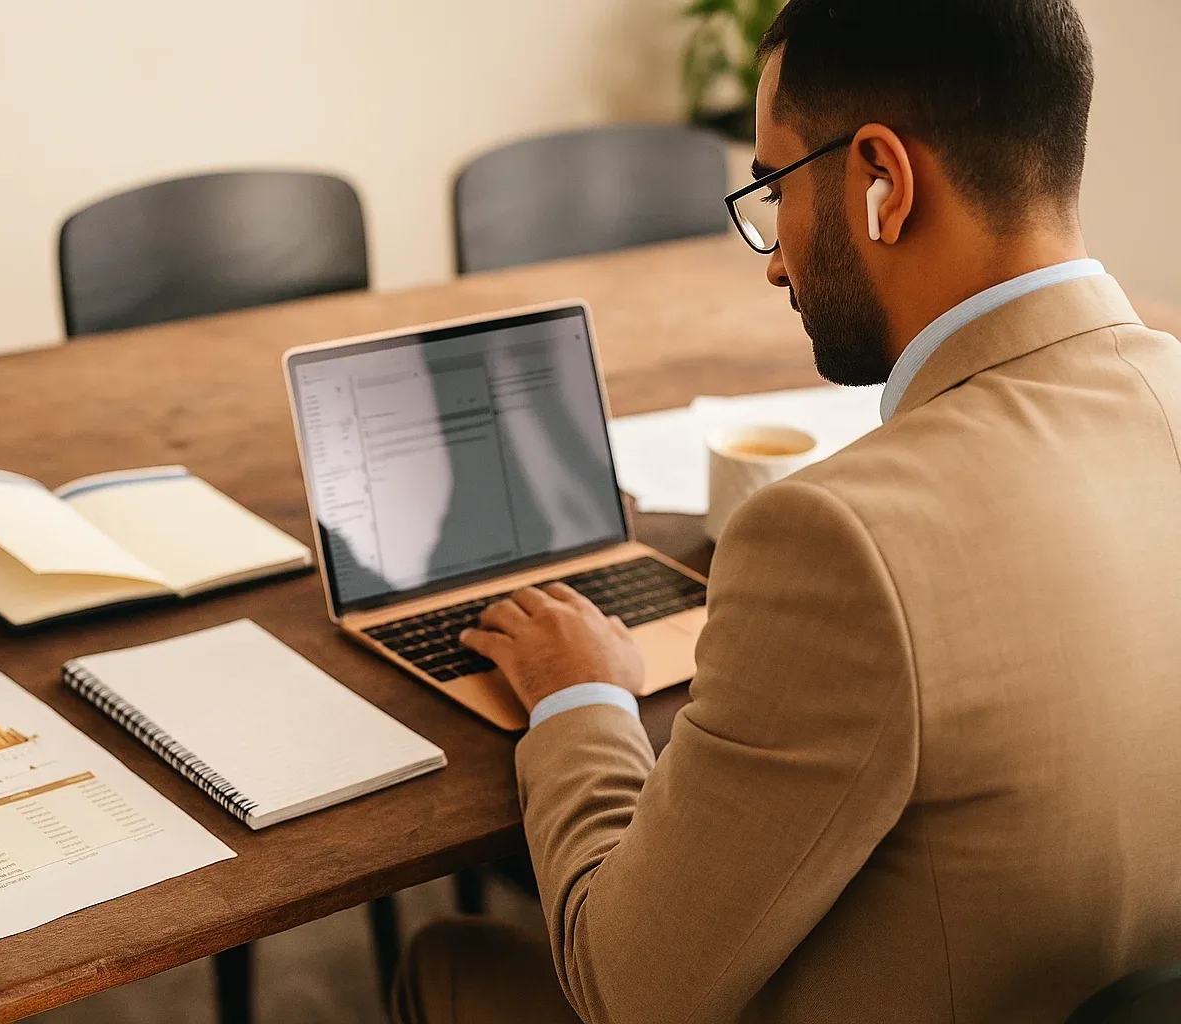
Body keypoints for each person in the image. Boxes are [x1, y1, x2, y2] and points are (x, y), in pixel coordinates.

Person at [393, 1, 1181, 1021]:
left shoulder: (842, 540)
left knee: (449, 958)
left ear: (882, 183)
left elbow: (626, 987)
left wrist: (581, 700)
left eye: (772, 186)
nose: (772, 257)